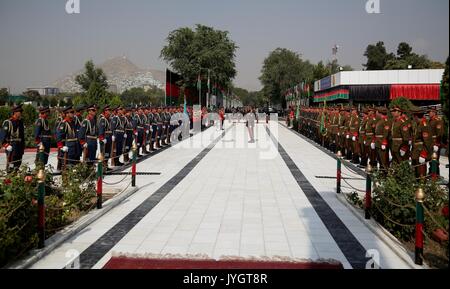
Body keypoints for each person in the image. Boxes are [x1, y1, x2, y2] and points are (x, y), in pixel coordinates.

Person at [0, 104, 25, 172]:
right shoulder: (8, 122)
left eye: (21, 112)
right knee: (11, 162)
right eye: (19, 112)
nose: (20, 113)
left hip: (19, 145)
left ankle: (16, 174)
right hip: (11, 145)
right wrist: (5, 145)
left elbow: (22, 136)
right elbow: (3, 135)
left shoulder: (20, 122)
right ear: (15, 112)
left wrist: (23, 147)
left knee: (18, 162)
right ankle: (10, 176)